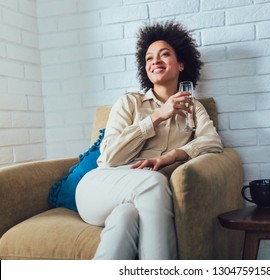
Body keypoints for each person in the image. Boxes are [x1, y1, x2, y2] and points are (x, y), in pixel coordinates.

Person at [75, 21, 223, 260]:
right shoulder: (128, 102)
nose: (155, 61)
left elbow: (212, 142)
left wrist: (171, 157)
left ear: (181, 63)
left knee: (125, 218)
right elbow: (110, 156)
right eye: (149, 58)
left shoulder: (193, 107)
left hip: (139, 199)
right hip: (100, 187)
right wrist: (157, 116)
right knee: (153, 182)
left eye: (164, 54)